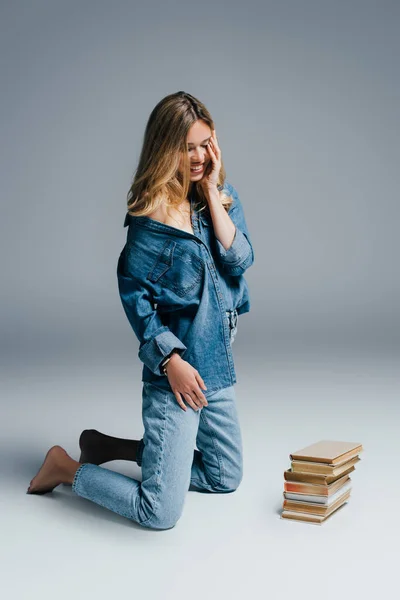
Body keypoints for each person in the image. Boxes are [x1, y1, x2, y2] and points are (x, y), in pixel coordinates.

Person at [27, 91, 255, 530]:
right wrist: (170, 362)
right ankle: (65, 468)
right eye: (187, 147)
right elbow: (136, 301)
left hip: (217, 361)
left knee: (225, 476)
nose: (199, 156)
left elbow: (240, 260)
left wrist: (209, 190)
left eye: (206, 143)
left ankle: (111, 446)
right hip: (179, 373)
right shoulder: (151, 219)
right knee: (159, 513)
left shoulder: (222, 198)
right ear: (166, 149)